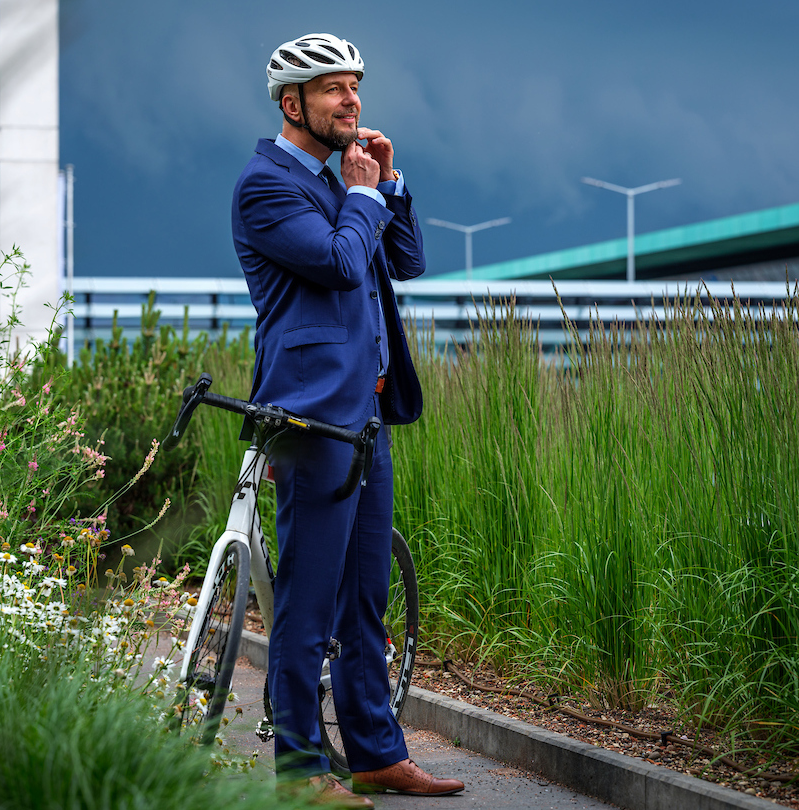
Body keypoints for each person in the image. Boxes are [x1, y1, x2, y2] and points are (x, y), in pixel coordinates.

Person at [231, 33, 465, 807]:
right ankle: (299, 772)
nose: (352, 101)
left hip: (366, 413)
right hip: (309, 420)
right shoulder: (266, 187)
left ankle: (374, 753)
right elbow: (336, 261)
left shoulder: (344, 183)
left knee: (366, 598)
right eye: (334, 89)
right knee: (309, 598)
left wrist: (387, 184)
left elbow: (404, 263)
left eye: (355, 87)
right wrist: (363, 197)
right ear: (292, 103)